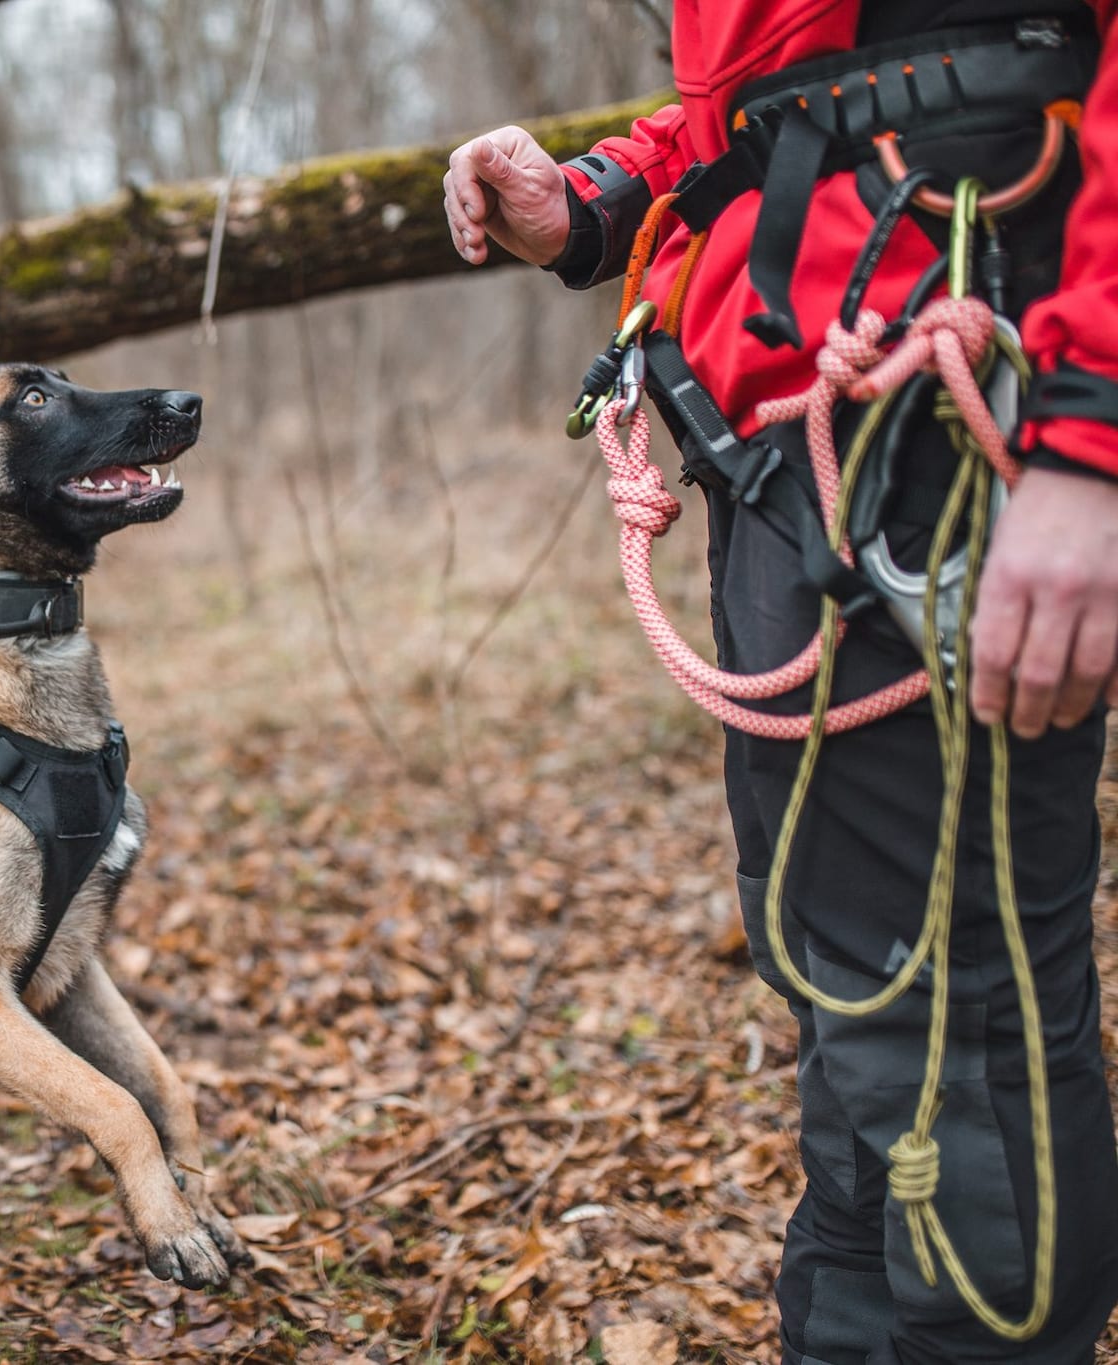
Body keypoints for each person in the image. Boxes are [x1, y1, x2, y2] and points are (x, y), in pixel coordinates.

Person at [443, 5, 1118, 1363]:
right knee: (842, 985)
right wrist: (591, 200)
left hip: (947, 379)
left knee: (953, 1007)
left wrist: (1094, 424)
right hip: (777, 423)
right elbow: (758, 86)